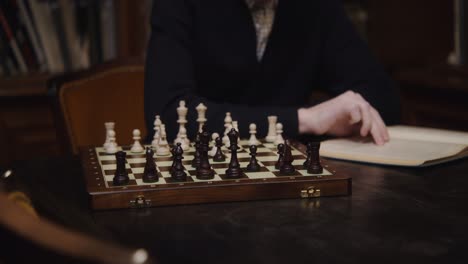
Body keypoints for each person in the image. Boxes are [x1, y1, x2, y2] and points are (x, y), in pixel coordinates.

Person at [144, 0, 401, 145]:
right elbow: (166, 113)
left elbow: (382, 99)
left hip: (286, 182)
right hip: (194, 178)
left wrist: (340, 114)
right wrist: (306, 119)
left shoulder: (316, 8)